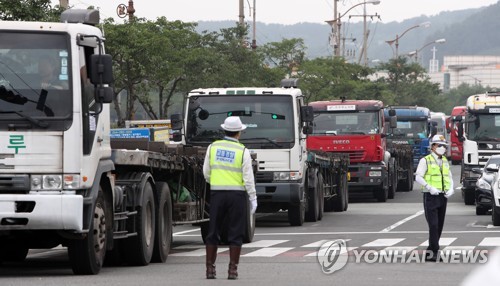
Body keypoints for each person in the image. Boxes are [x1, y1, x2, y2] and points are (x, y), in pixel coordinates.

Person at [202, 116, 257, 280]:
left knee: (213, 232)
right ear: (239, 132)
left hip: (217, 194)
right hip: (237, 196)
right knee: (235, 232)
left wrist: (216, 183)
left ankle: (210, 270)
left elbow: (206, 172)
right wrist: (252, 197)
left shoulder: (212, 147)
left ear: (224, 130)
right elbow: (248, 178)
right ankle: (232, 270)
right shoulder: (243, 151)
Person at [415, 134, 455, 262]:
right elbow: (418, 177)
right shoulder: (425, 160)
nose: (442, 148)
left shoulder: (444, 160)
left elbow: (449, 176)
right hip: (431, 196)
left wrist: (451, 188)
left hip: (443, 196)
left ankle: (430, 251)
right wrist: (429, 187)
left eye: (444, 146)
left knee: (439, 226)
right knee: (433, 224)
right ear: (432, 147)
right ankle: (435, 252)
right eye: (439, 145)